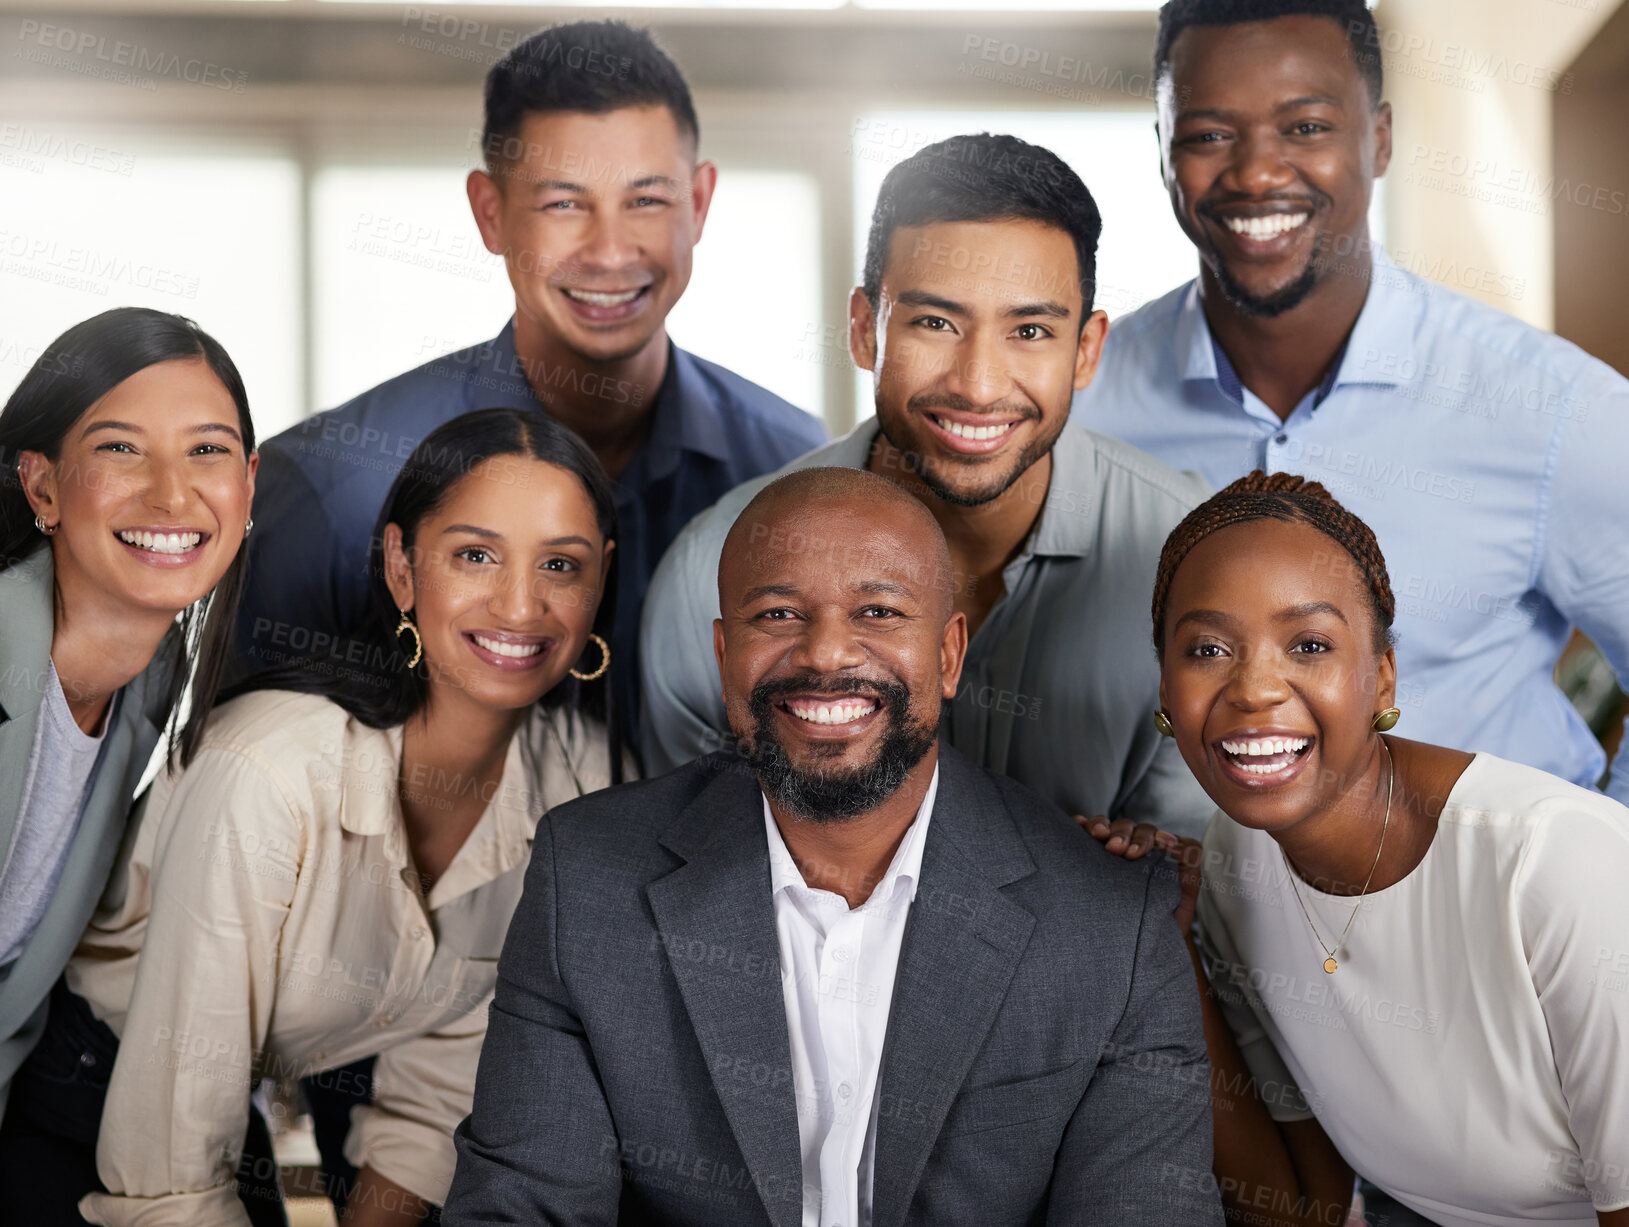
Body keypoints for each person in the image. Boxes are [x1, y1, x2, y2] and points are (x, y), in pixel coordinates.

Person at [443, 466, 1221, 1226]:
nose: (824, 653)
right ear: (722, 657)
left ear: (948, 656)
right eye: (777, 615)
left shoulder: (1110, 922)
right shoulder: (586, 879)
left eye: (878, 611)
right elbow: (520, 1207)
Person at [10, 409, 626, 1227]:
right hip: (91, 1104)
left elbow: (444, 1082)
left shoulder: (582, 779)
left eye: (560, 564)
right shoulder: (267, 769)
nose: (521, 605)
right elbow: (169, 1161)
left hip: (243, 1113)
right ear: (402, 568)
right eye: (475, 555)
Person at [1073, 0, 1629, 805]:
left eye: (1304, 127)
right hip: (1167, 922)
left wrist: (1595, 883)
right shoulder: (1077, 401)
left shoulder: (1552, 409)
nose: (1257, 172)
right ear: (1161, 151)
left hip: (1486, 925)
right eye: (1207, 134)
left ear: (1378, 138)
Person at [234, 18, 827, 739]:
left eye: (646, 200)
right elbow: (232, 785)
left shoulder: (793, 470)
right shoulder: (332, 487)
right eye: (563, 203)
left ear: (698, 204)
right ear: (490, 213)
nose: (610, 252)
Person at [1090, 472, 1629, 1227]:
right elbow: (1302, 1208)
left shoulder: (1559, 866)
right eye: (1207, 648)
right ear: (1163, 690)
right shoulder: (1235, 860)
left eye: (1308, 644)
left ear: (1381, 677)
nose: (1253, 689)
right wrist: (1168, 941)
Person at [640, 131, 1215, 836]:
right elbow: (692, 874)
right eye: (935, 322)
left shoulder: (1192, 562)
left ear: (1086, 350)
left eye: (1029, 330)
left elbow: (1181, 887)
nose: (976, 385)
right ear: (863, 330)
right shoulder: (714, 569)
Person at [0, 307, 257, 1133]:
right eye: (120, 447)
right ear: (41, 484)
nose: (172, 492)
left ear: (249, 482)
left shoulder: (151, 683)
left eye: (207, 450)